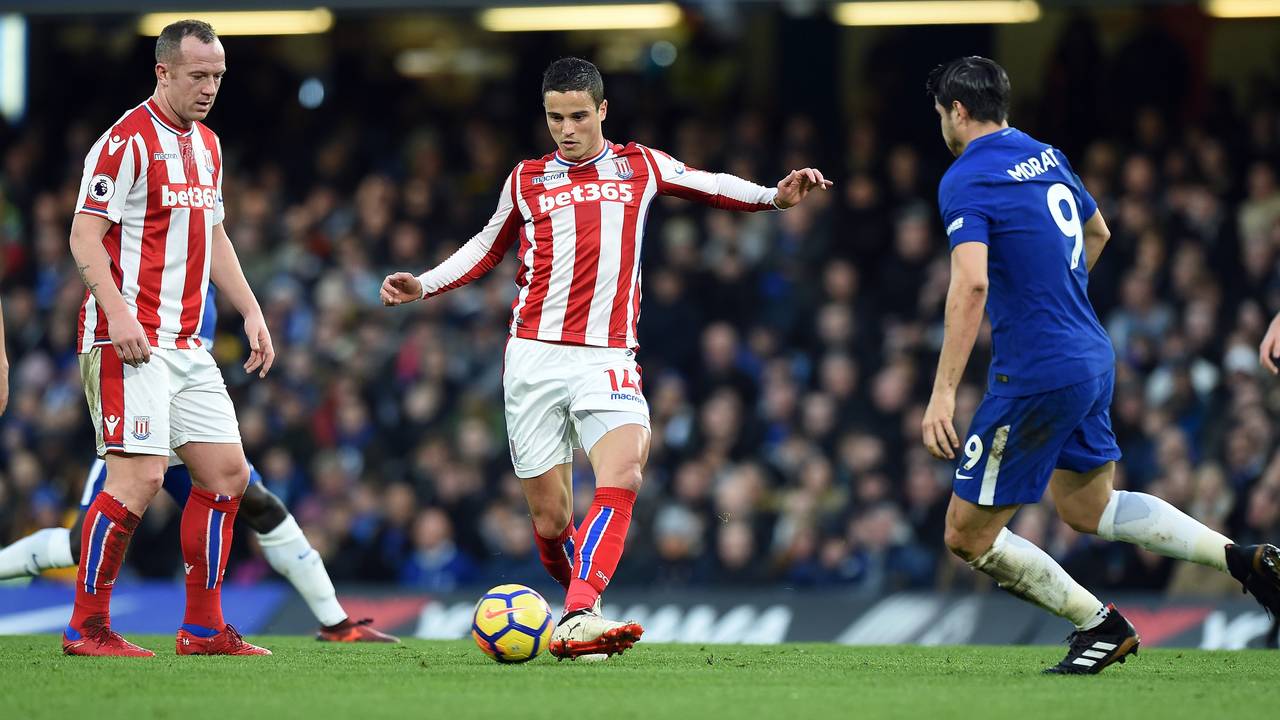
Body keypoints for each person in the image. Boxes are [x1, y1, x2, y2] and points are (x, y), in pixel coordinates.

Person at [381, 57, 830, 659]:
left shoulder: (639, 166)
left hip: (606, 356)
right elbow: (488, 245)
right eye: (554, 118)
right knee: (549, 520)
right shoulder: (526, 179)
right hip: (533, 357)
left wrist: (774, 197)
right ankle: (581, 611)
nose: (565, 129)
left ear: (602, 112)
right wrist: (426, 284)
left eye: (577, 116)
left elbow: (710, 183)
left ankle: (575, 615)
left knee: (624, 471)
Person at [920, 56, 1280, 675]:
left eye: (940, 114)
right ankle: (1243, 560)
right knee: (1088, 509)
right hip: (1090, 354)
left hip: (1035, 371)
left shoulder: (966, 176)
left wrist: (942, 393)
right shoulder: (1047, 154)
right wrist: (1056, 294)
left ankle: (1100, 624)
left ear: (957, 111)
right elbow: (1100, 233)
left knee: (965, 534)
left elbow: (972, 284)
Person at [0, 287, 397, 644]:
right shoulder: (152, 264)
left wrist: (252, 312)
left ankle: (336, 622)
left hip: (190, 421)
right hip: (144, 410)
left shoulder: (200, 257)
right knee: (81, 543)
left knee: (257, 502)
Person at [63, 19, 273, 657]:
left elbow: (213, 236)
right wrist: (119, 313)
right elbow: (82, 236)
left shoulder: (207, 144)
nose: (209, 88)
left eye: (217, 77)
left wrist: (250, 309)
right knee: (139, 480)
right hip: (126, 340)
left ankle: (203, 627)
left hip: (187, 344)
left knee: (227, 476)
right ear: (163, 72)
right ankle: (86, 627)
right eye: (197, 76)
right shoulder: (124, 143)